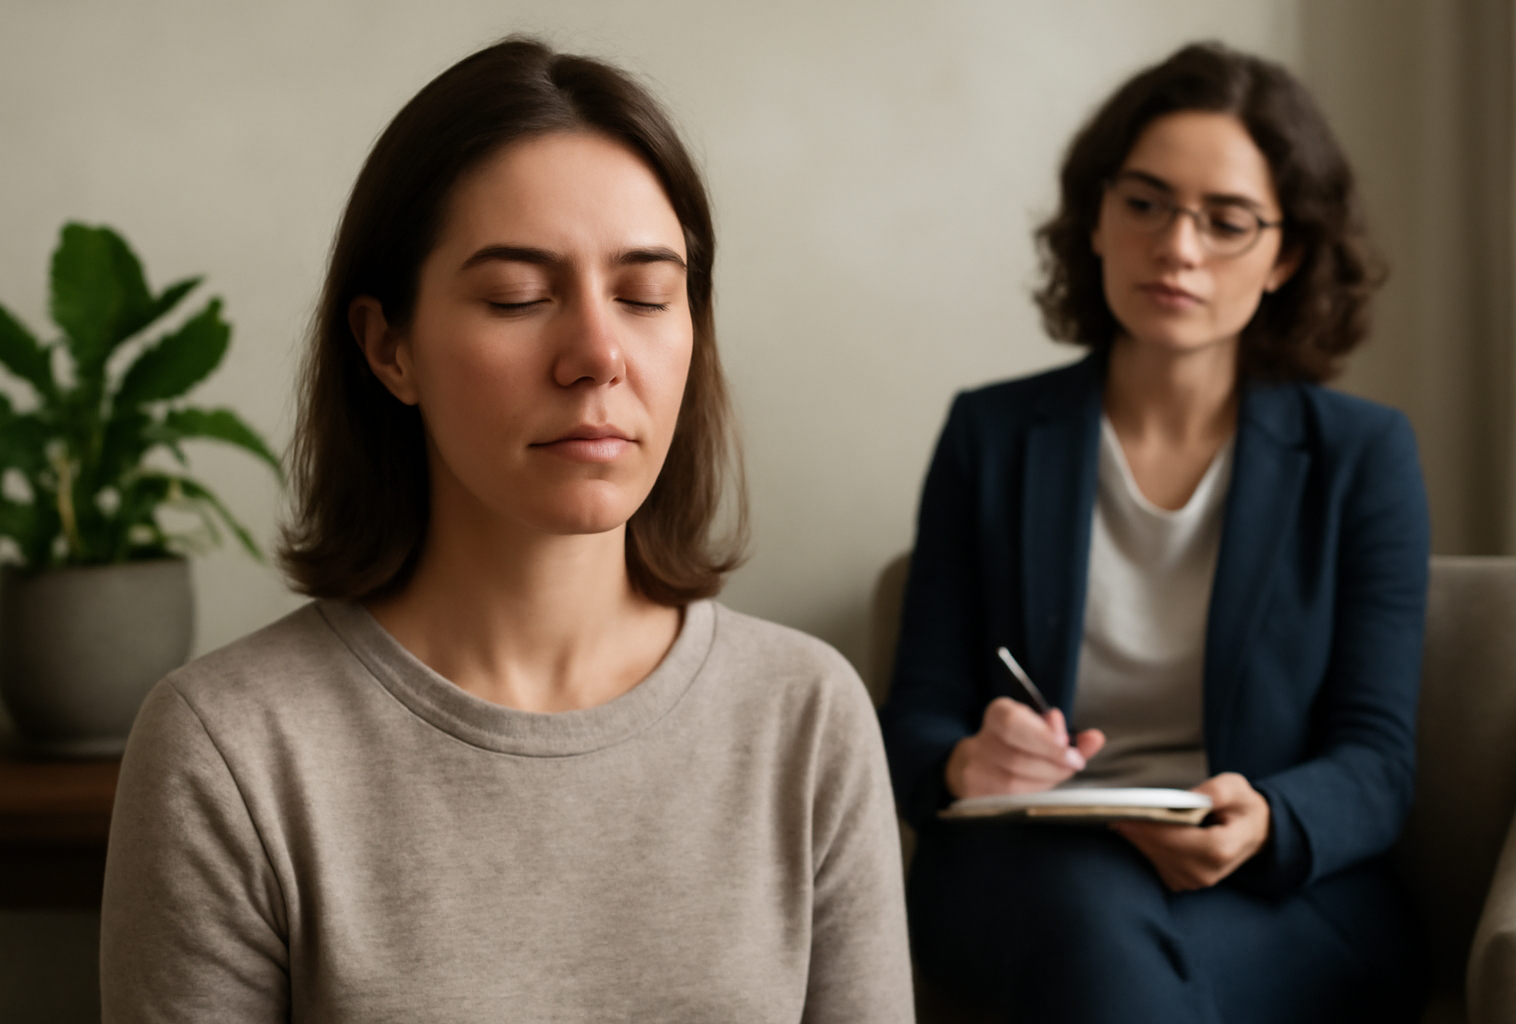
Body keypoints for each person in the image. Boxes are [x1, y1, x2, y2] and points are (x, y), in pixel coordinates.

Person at [100, 37, 912, 1023]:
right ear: (388, 347)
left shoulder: (808, 717)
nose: (598, 354)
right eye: (518, 296)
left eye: (648, 294)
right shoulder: (229, 746)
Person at [880, 42, 1430, 1024]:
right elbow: (915, 714)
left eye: (1226, 222)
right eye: (1145, 203)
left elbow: (1378, 759)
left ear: (1285, 255)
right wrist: (970, 759)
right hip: (1033, 873)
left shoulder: (1363, 455)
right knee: (1090, 917)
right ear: (1096, 217)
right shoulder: (991, 434)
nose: (1178, 246)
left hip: (1272, 888)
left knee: (1110, 956)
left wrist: (1270, 821)